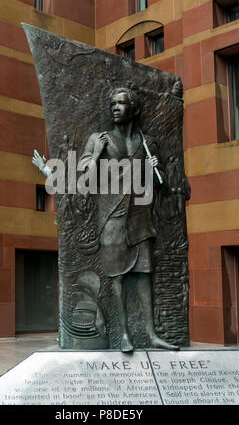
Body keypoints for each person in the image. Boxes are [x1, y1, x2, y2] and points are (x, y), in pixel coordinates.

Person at [79, 87, 179, 352]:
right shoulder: (99, 139)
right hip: (111, 217)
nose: (114, 108)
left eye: (120, 104)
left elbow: (162, 187)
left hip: (140, 218)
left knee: (145, 273)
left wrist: (158, 171)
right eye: (112, 103)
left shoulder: (148, 143)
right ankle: (123, 334)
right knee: (118, 278)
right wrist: (98, 154)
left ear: (133, 109)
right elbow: (83, 180)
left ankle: (151, 334)